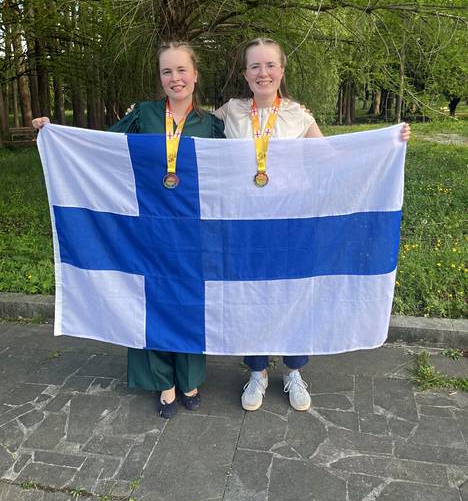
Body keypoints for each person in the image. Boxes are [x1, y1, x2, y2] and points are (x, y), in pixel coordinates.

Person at [214, 37, 411, 413]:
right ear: (245, 74)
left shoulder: (299, 116)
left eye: (270, 65)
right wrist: (151, 115)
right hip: (246, 226)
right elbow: (189, 132)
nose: (263, 72)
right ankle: (257, 372)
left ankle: (293, 371)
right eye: (255, 66)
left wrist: (388, 142)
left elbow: (333, 161)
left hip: (293, 224)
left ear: (281, 71)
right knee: (251, 297)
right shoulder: (230, 113)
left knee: (296, 295)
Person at [33, 41, 225, 420]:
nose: (175, 78)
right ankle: (163, 383)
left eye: (182, 70)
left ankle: (189, 377)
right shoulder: (144, 115)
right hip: (147, 228)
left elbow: (228, 177)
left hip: (192, 232)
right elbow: (103, 150)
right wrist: (56, 134)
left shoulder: (211, 125)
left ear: (195, 74)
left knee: (187, 301)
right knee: (149, 300)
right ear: (160, 78)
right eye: (167, 71)